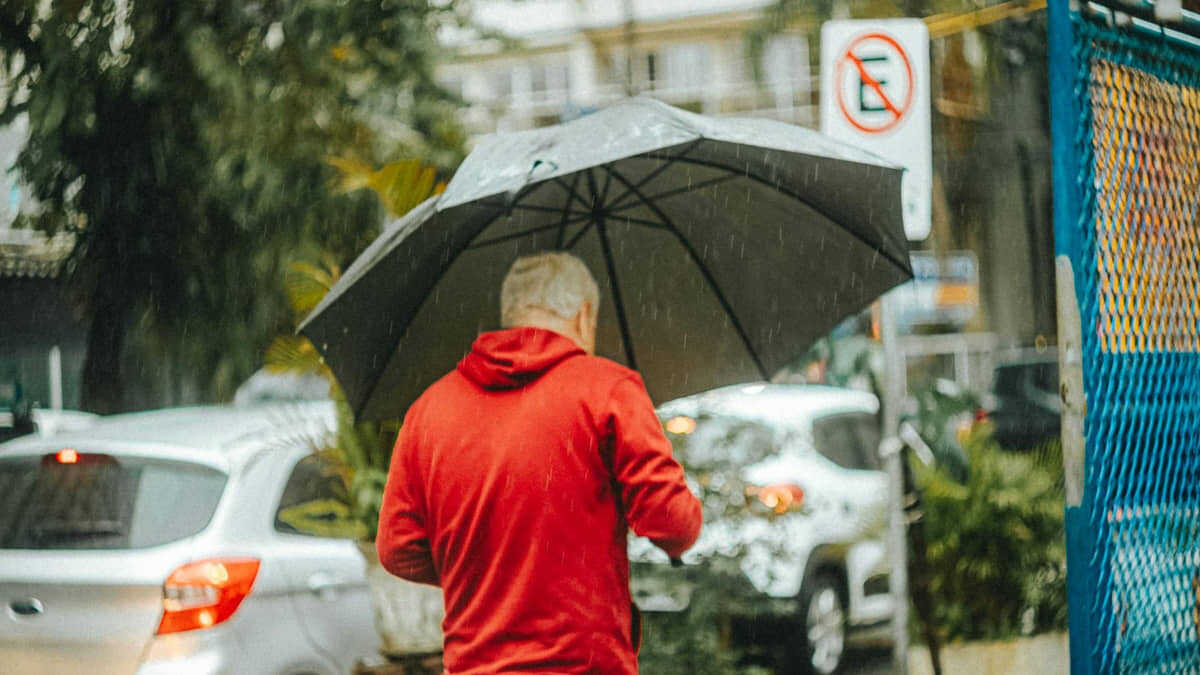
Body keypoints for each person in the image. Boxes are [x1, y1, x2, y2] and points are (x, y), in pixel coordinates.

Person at [376, 251, 703, 674]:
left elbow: (396, 548)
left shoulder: (429, 410)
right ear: (585, 315)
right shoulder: (608, 390)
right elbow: (674, 524)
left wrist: (490, 574)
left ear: (511, 315)